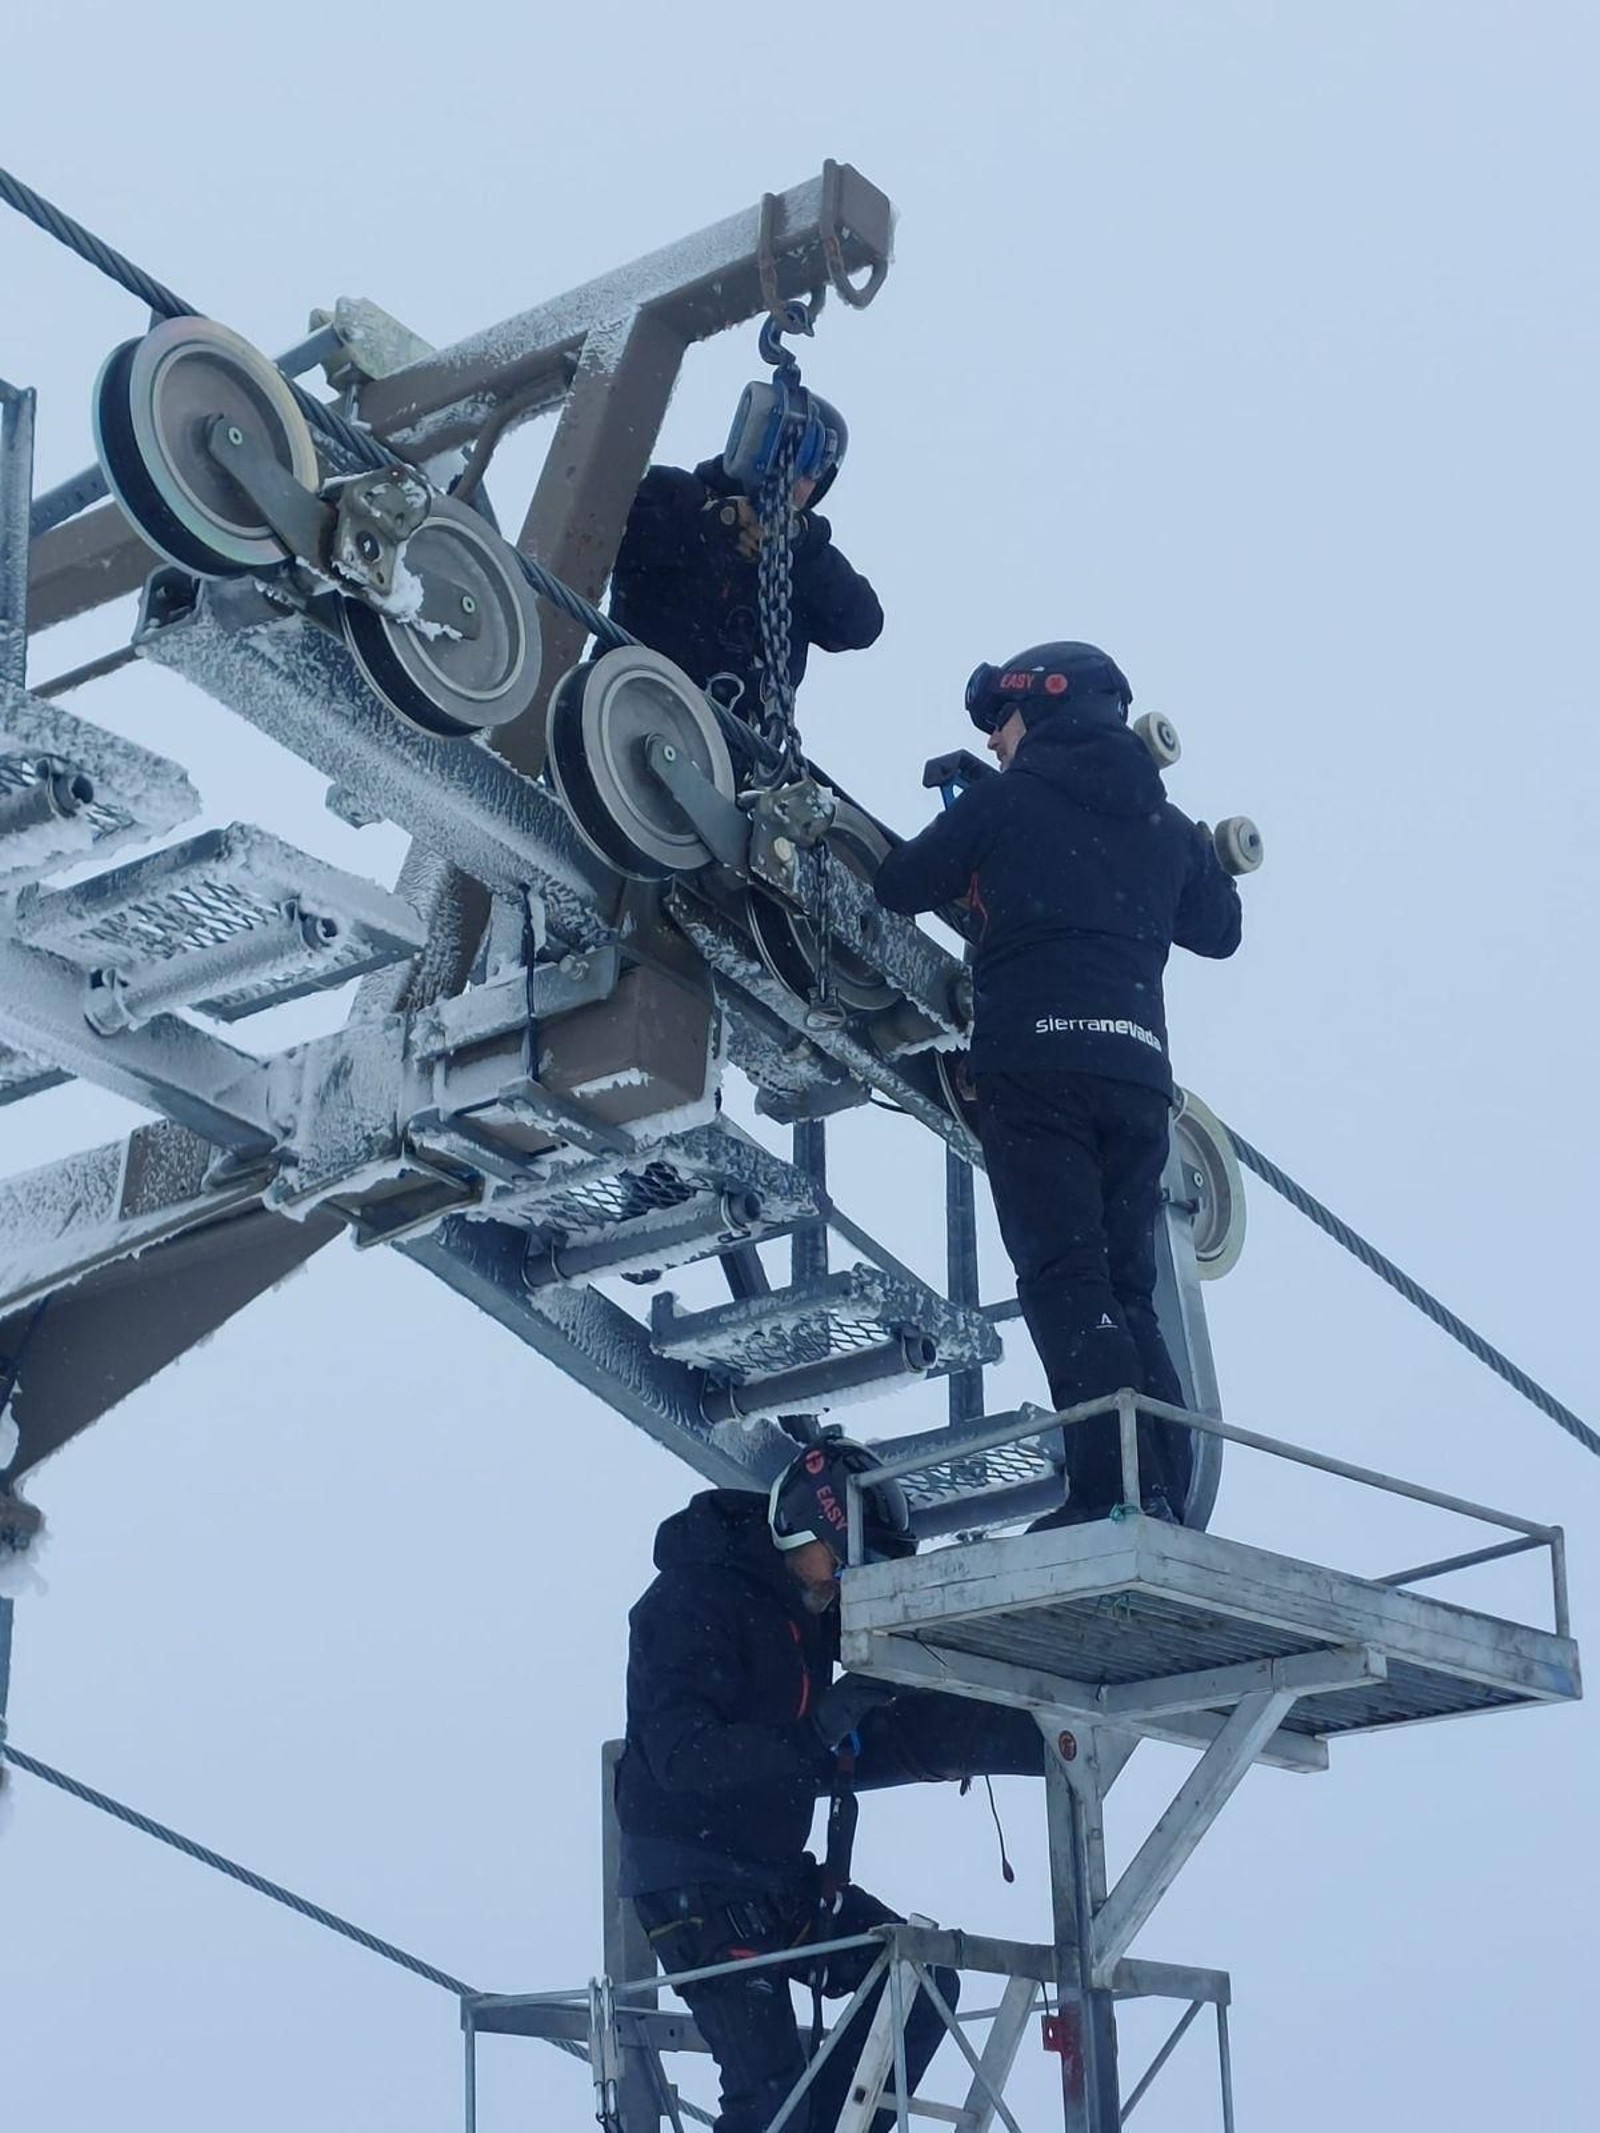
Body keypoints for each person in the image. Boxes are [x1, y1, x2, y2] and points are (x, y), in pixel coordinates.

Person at [874, 643, 1243, 1524]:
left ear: (1041, 705)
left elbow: (896, 885)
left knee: (1064, 1282)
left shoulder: (1005, 800)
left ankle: (1107, 1492)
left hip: (1035, 1069)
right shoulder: (1163, 822)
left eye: (999, 720)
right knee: (1125, 1290)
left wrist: (977, 837)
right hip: (1136, 1079)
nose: (995, 742)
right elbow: (1221, 927)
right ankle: (1160, 1490)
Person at [614, 1438, 1040, 2133]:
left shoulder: (807, 1610)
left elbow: (850, 1725)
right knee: (771, 2103)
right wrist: (812, 1732)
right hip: (696, 1886)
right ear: (797, 1528)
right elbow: (680, 1755)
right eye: (843, 1565)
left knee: (917, 1980)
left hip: (774, 1877)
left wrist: (970, 1719)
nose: (845, 1586)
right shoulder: (690, 1600)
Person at [607, 402, 883, 728]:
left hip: (727, 762)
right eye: (792, 456)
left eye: (815, 471)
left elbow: (862, 623)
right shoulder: (675, 493)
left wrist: (802, 543)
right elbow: (614, 534)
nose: (798, 479)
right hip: (626, 713)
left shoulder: (803, 564)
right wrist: (708, 526)